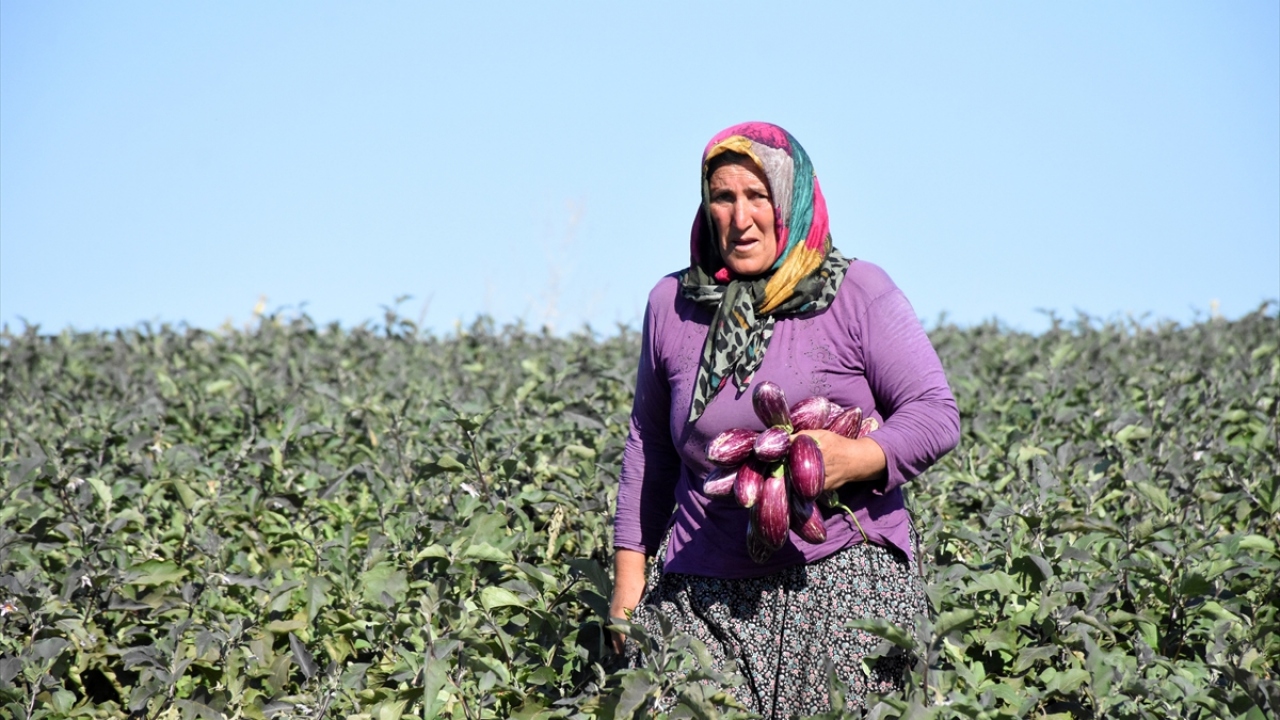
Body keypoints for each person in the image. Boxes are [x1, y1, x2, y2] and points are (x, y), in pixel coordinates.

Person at [609, 121, 960, 717]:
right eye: (723, 197)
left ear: (791, 203)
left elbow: (935, 415)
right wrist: (626, 584)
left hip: (843, 585)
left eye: (757, 196)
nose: (740, 217)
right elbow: (650, 450)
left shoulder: (857, 292)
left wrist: (853, 460)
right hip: (701, 592)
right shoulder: (672, 306)